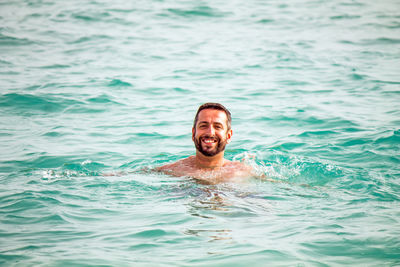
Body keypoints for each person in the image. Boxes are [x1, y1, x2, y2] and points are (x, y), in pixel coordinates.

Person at [157, 102, 259, 184]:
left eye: (217, 126)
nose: (210, 132)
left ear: (228, 136)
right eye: (203, 126)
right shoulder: (172, 170)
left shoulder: (243, 172)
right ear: (193, 133)